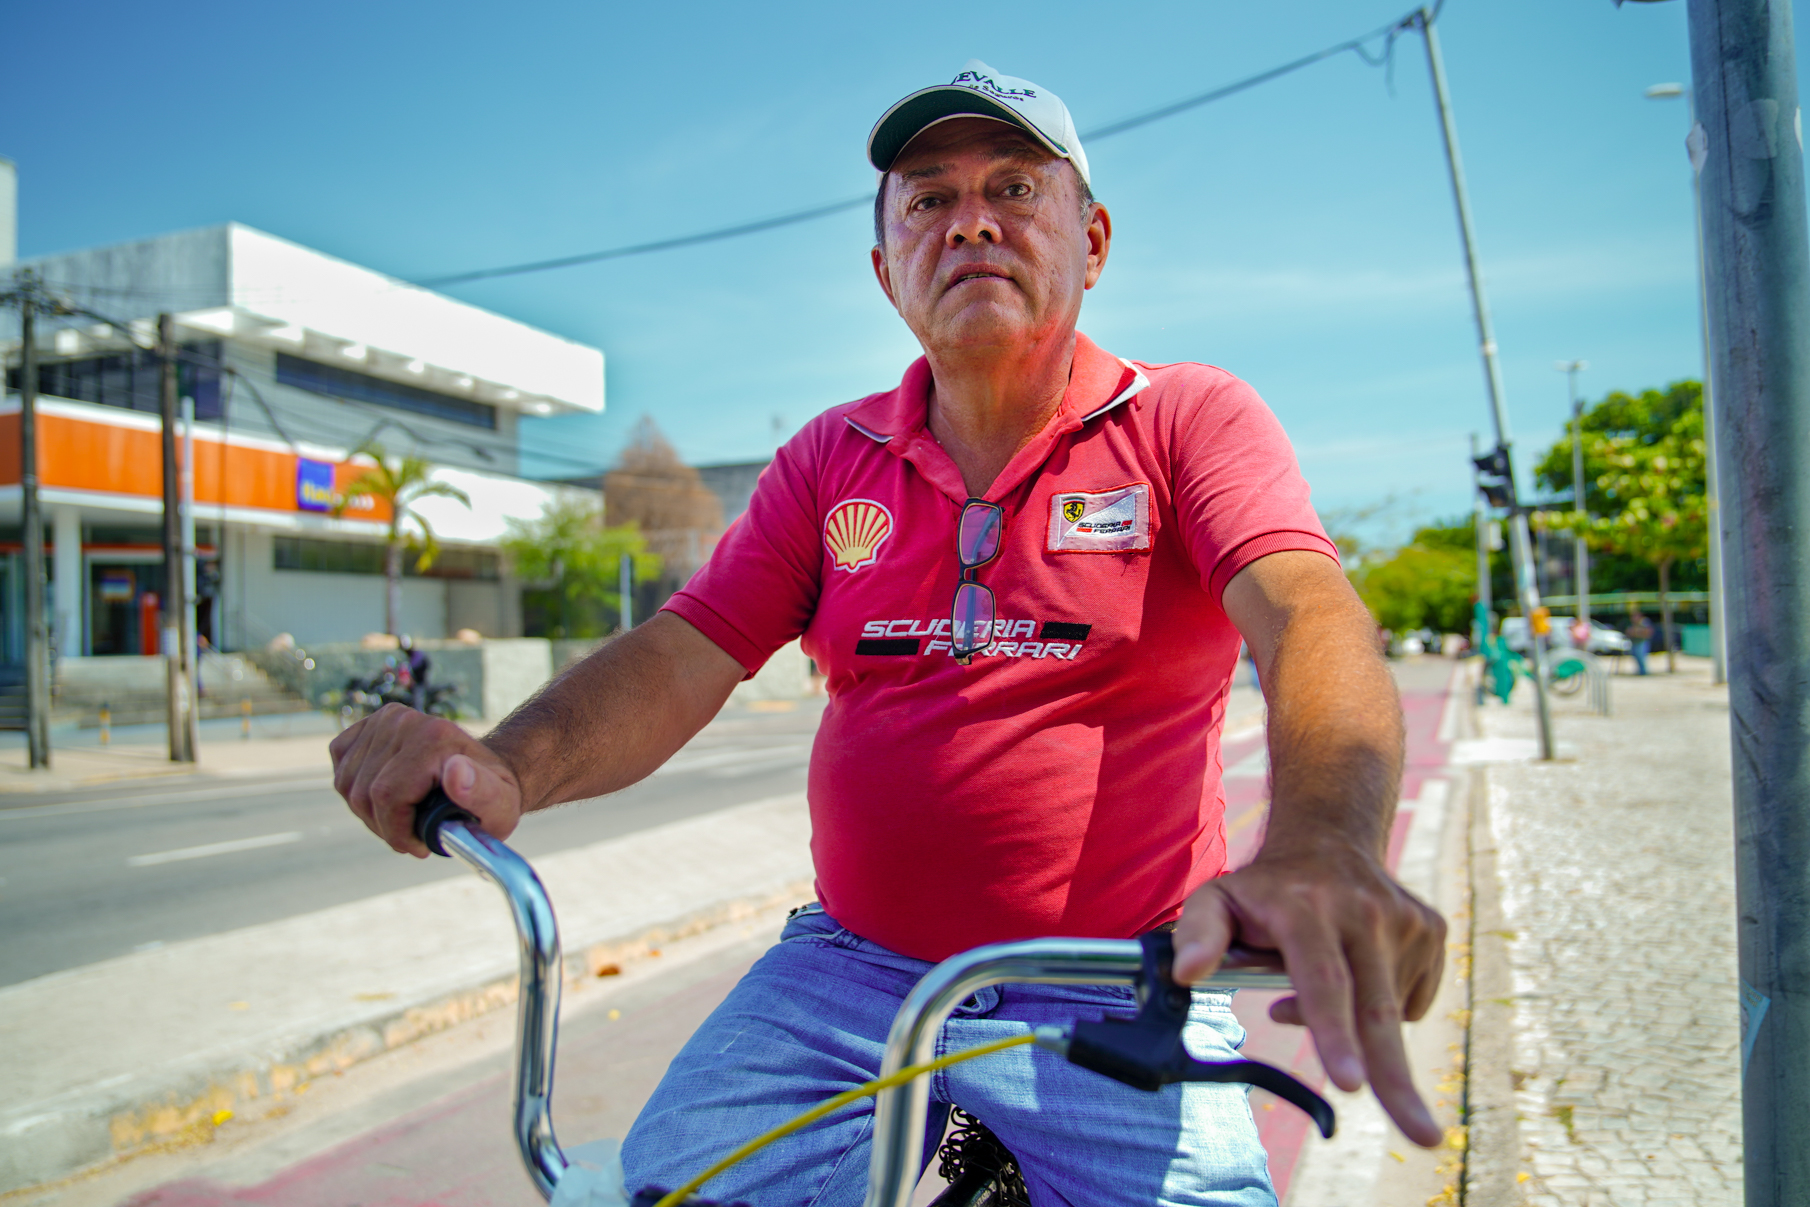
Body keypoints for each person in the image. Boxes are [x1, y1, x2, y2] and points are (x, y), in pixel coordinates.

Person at [330, 61, 1445, 1206]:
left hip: (1118, 981)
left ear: (1093, 239)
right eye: (926, 199)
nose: (969, 221)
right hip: (849, 974)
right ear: (885, 271)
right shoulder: (829, 457)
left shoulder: (1186, 417)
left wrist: (1322, 840)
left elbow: (1305, 610)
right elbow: (681, 651)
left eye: (1014, 188)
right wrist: (501, 764)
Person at [1628, 611, 1653, 676]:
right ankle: (1641, 671)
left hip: (1642, 642)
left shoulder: (1644, 623)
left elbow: (1648, 632)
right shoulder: (1633, 624)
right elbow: (1629, 632)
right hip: (1635, 643)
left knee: (1641, 658)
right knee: (1636, 658)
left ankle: (1643, 672)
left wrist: (1637, 633)